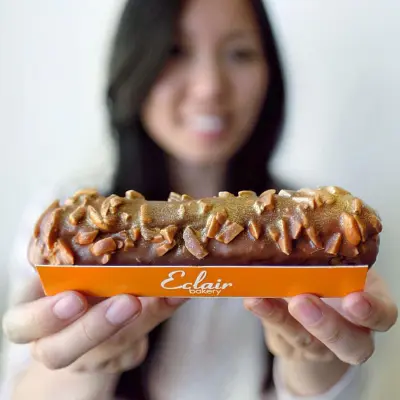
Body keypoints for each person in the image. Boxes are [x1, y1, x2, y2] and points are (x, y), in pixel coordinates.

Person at [0, 0, 397, 399]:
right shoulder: (57, 212)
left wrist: (316, 372)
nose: (209, 86)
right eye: (175, 51)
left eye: (239, 53)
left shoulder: (325, 231)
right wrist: (81, 369)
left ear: (270, 73)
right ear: (133, 64)